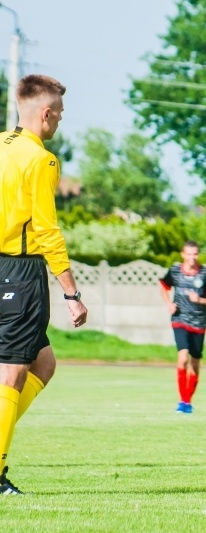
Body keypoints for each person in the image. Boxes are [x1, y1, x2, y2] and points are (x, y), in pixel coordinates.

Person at [0, 74, 88, 494]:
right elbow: (48, 230)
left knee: (43, 362)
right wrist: (71, 292)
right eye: (60, 115)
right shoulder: (42, 160)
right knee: (13, 373)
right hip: (19, 271)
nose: (60, 123)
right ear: (46, 113)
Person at [159, 240, 206, 414]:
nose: (192, 257)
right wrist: (169, 304)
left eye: (195, 254)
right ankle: (182, 400)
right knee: (183, 358)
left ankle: (187, 401)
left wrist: (199, 300)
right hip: (179, 320)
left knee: (194, 361)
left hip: (199, 323)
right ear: (183, 254)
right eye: (189, 254)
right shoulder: (175, 271)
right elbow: (163, 286)